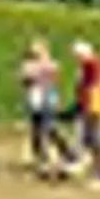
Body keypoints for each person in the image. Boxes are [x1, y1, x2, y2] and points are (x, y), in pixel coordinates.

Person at [18, 40, 77, 176]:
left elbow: (53, 74)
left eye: (38, 50)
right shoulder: (28, 65)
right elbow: (25, 79)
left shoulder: (51, 64)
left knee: (49, 128)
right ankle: (40, 159)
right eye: (34, 51)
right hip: (34, 101)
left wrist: (39, 71)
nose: (35, 53)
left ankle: (67, 153)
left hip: (47, 100)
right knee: (36, 130)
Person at [70, 41, 100, 189]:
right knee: (92, 140)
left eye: (77, 56)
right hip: (90, 108)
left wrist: (93, 105)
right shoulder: (86, 67)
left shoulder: (96, 65)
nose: (76, 59)